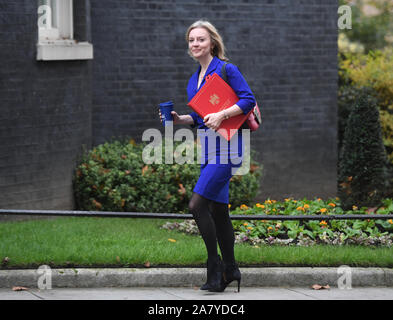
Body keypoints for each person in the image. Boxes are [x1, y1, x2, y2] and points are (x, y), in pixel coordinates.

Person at [158, 20, 256, 292]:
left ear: (212, 42)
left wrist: (223, 114)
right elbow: (203, 118)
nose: (195, 44)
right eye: (191, 40)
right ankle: (232, 268)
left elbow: (248, 99)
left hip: (229, 146)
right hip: (209, 148)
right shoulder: (193, 80)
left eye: (200, 39)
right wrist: (181, 119)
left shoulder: (226, 69)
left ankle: (215, 267)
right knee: (218, 211)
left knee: (196, 205)